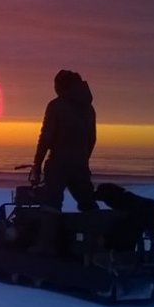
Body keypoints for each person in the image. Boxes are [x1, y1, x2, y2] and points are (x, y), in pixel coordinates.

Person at [30, 69, 98, 211]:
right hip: (80, 164)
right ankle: (95, 232)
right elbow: (92, 138)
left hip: (58, 162)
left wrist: (37, 163)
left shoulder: (56, 106)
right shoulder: (89, 108)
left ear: (60, 86)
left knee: (51, 206)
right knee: (88, 204)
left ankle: (50, 232)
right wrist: (83, 158)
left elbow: (46, 137)